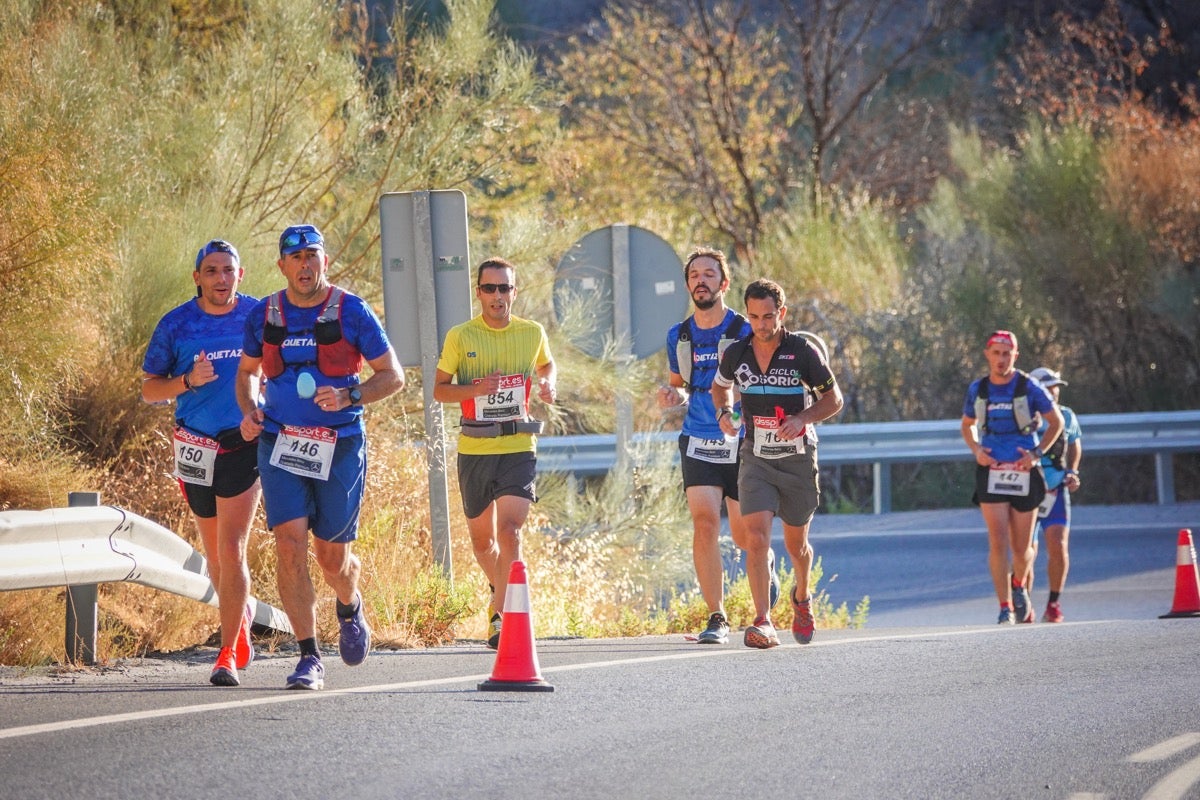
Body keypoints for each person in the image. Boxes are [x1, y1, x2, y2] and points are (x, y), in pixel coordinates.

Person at [236, 224, 403, 690]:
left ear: (324, 262)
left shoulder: (352, 311)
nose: (305, 265)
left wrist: (351, 394)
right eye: (296, 258)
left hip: (339, 445)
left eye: (312, 256)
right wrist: (250, 411)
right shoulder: (265, 313)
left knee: (332, 559)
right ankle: (308, 655)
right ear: (282, 266)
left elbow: (392, 375)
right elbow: (247, 373)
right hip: (281, 443)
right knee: (289, 546)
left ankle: (349, 605)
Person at [142, 239, 261, 687]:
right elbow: (150, 390)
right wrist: (188, 380)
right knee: (214, 556)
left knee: (231, 548)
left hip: (242, 443)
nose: (221, 279)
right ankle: (240, 622)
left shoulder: (258, 316)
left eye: (228, 270)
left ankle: (226, 653)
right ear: (197, 277)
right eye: (211, 271)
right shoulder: (176, 324)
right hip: (194, 446)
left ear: (240, 275)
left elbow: (282, 368)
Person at [711, 278, 844, 648]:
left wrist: (802, 419)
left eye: (768, 317)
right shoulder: (737, 352)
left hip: (797, 458)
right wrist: (724, 412)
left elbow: (833, 399)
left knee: (796, 545)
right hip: (756, 457)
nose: (761, 325)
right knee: (756, 538)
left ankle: (801, 597)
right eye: (754, 317)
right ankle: (763, 621)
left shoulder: (801, 352)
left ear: (781, 313)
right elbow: (720, 386)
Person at [433, 257, 556, 649]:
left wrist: (548, 384)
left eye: (505, 288)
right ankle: (499, 587)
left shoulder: (532, 332)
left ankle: (501, 617)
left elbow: (547, 365)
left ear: (514, 292)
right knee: (483, 543)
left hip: (518, 445)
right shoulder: (461, 336)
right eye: (490, 288)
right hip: (475, 448)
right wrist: (476, 390)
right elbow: (439, 389)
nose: (498, 296)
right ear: (479, 293)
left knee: (511, 531)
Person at [657, 247, 772, 645]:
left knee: (744, 535)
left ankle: (765, 563)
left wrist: (739, 413)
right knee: (704, 523)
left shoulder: (743, 329)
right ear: (687, 285)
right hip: (698, 439)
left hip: (741, 442)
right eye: (694, 275)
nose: (700, 281)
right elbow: (681, 386)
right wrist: (672, 397)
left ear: (724, 283)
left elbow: (760, 378)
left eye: (709, 274)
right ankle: (716, 616)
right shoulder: (679, 335)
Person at [960, 331, 1063, 625]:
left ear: (1015, 356)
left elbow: (1055, 422)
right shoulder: (978, 388)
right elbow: (967, 425)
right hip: (992, 470)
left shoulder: (1029, 386)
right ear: (987, 355)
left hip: (1024, 471)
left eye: (1007, 354)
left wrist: (1036, 454)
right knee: (997, 541)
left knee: (1022, 547)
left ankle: (1019, 584)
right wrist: (976, 450)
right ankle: (1005, 607)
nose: (1001, 359)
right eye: (996, 353)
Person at [1024, 367, 1083, 623]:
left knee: (1058, 546)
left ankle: (1053, 604)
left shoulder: (1066, 416)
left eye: (1055, 387)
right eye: (1048, 388)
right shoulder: (1022, 417)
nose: (1054, 392)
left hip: (1056, 491)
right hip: (1027, 492)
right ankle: (1023, 604)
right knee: (1026, 551)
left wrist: (1072, 471)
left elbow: (1075, 445)